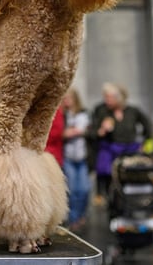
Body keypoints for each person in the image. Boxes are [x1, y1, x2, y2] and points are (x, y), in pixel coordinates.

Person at [88, 82, 152, 206]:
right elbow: (92, 132)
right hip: (109, 151)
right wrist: (102, 130)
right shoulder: (101, 110)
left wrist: (144, 143)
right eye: (106, 97)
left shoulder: (132, 111)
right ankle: (105, 198)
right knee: (107, 175)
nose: (108, 101)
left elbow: (148, 126)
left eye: (111, 97)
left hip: (129, 151)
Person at [61, 88, 91, 231]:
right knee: (72, 190)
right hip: (68, 157)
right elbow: (64, 134)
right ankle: (73, 220)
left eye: (68, 98)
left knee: (84, 189)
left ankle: (81, 215)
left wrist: (72, 132)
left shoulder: (83, 113)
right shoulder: (63, 115)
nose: (66, 101)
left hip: (81, 157)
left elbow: (83, 130)